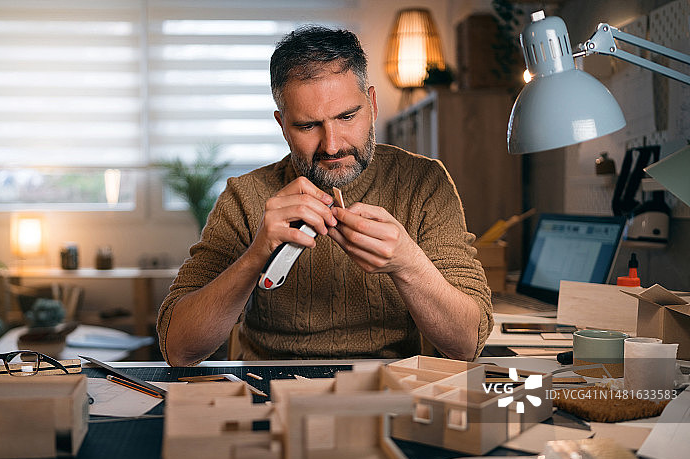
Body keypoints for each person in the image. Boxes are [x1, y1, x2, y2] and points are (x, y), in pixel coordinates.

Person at [157, 26, 492, 366]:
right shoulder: (245, 197)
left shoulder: (422, 183)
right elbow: (179, 349)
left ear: (372, 105)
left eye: (347, 117)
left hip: (392, 388)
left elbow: (465, 345)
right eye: (307, 126)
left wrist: (407, 262)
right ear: (282, 125)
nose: (332, 145)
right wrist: (255, 256)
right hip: (269, 394)